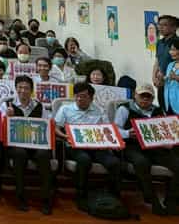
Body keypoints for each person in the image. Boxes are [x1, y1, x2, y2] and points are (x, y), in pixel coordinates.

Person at [54, 82, 121, 209]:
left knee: (114, 163)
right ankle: (81, 195)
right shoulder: (65, 109)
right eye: (77, 96)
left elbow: (108, 129)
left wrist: (113, 143)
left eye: (84, 96)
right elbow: (56, 128)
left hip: (97, 147)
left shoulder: (99, 110)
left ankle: (113, 196)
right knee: (84, 160)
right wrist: (65, 136)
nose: (80, 99)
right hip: (75, 147)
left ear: (91, 98)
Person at [114, 83, 178, 215]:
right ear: (135, 95)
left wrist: (169, 139)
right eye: (142, 96)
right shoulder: (124, 109)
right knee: (141, 163)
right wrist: (127, 133)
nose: (145, 99)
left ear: (152, 98)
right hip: (133, 146)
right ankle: (152, 200)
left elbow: (166, 129)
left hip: (156, 147)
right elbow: (115, 129)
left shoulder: (158, 110)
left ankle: (172, 201)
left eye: (148, 97)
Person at [0, 75, 53, 214]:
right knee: (19, 154)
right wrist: (7, 117)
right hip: (16, 145)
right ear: (16, 89)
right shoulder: (6, 105)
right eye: (20, 87)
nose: (23, 91)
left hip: (36, 144)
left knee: (44, 155)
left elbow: (48, 125)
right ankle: (20, 196)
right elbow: (0, 128)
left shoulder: (39, 106)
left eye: (26, 88)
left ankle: (46, 198)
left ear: (32, 90)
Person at [155, 15, 179, 112]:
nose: (160, 28)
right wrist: (154, 77)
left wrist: (175, 77)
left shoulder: (177, 42)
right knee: (164, 109)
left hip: (175, 86)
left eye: (164, 25)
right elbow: (157, 61)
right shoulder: (159, 43)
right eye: (159, 25)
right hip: (163, 83)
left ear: (174, 28)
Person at [165, 36, 179, 115]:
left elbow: (175, 78)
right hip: (169, 102)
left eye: (174, 50)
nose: (170, 52)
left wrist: (176, 78)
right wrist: (162, 80)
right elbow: (168, 81)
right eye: (170, 50)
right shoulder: (170, 65)